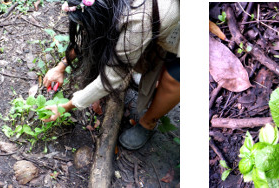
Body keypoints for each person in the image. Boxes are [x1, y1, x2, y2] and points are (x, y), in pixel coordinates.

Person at [40, 0, 179, 150]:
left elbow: (112, 77)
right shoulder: (111, 6)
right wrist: (61, 66)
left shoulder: (139, 20)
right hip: (159, 19)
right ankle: (145, 72)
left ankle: (148, 122)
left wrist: (66, 106)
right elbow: (92, 34)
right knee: (138, 51)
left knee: (174, 78)